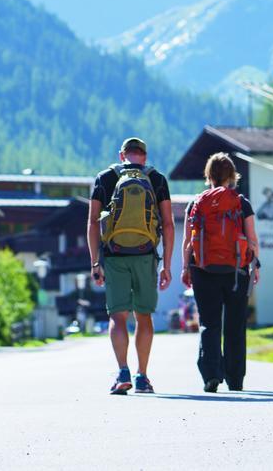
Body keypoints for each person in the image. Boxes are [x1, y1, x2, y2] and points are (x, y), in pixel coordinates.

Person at [88, 137, 173, 395]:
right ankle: (142, 377)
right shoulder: (157, 179)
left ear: (121, 154)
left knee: (118, 315)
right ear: (144, 157)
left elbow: (92, 221)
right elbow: (168, 224)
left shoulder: (104, 178)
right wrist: (166, 265)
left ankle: (122, 371)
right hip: (145, 255)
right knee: (144, 315)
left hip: (114, 256)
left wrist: (95, 262)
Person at [181, 151, 260, 393]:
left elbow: (188, 242)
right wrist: (255, 264)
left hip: (203, 269)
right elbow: (252, 238)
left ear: (208, 176)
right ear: (231, 175)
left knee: (209, 323)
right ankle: (235, 379)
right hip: (236, 271)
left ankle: (211, 375)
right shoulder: (241, 202)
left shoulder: (195, 203)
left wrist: (186, 268)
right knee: (235, 325)